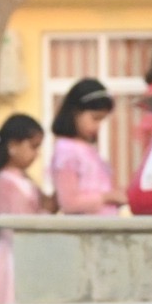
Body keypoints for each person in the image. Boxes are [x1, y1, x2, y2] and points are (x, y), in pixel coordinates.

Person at [0, 113, 53, 304]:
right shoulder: (2, 185)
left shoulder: (24, 180)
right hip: (12, 257)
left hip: (28, 253)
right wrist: (45, 212)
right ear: (13, 146)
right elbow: (17, 226)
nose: (36, 154)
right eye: (33, 146)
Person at [49, 78, 125, 215]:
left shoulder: (87, 149)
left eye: (101, 120)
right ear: (75, 112)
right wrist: (107, 198)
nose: (98, 126)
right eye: (95, 118)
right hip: (85, 228)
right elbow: (68, 203)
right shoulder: (67, 150)